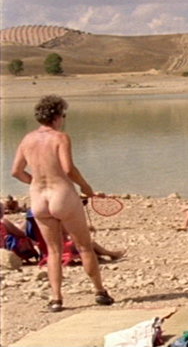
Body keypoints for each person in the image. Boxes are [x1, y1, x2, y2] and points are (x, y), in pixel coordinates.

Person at [11, 95, 115, 312]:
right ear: (57, 116)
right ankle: (100, 292)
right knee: (84, 247)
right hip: (62, 195)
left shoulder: (27, 139)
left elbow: (16, 171)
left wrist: (36, 181)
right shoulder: (60, 137)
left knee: (52, 250)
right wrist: (86, 187)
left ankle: (56, 299)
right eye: (64, 115)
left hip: (39, 198)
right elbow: (68, 169)